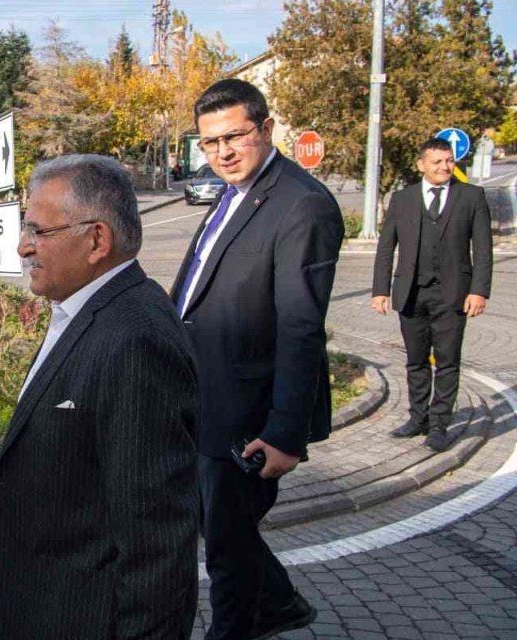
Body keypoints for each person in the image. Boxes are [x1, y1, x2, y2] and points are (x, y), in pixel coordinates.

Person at [0, 154, 200, 639]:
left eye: (39, 232)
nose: (23, 247)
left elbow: (156, 539)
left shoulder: (134, 339)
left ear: (97, 240)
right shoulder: (84, 309)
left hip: (85, 617)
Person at [170, 79, 343, 640]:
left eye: (235, 136)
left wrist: (286, 434)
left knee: (226, 547)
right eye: (210, 141)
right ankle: (282, 604)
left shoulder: (302, 204)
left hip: (249, 413)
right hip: (205, 398)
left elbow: (300, 327)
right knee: (226, 532)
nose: (221, 151)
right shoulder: (232, 194)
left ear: (266, 129)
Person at [372, 137, 493, 452]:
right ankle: (418, 418)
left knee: (448, 361)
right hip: (411, 292)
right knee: (415, 360)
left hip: (453, 294)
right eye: (437, 161)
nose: (444, 167)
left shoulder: (472, 196)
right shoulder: (402, 199)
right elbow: (386, 247)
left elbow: (482, 249)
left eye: (449, 161)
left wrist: (479, 290)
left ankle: (439, 426)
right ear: (421, 165)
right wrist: (380, 289)